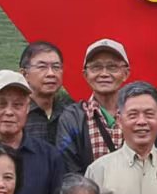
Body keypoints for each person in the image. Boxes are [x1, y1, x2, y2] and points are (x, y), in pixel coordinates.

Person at [56, 38, 133, 174]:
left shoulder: (139, 114)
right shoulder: (72, 118)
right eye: (96, 67)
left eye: (112, 67)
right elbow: (69, 171)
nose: (104, 74)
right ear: (86, 75)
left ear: (125, 73)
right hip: (87, 188)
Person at [17, 41, 68, 146]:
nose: (51, 74)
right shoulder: (14, 115)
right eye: (42, 67)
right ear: (24, 74)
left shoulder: (71, 113)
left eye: (56, 67)